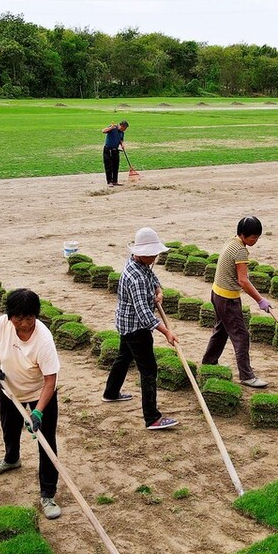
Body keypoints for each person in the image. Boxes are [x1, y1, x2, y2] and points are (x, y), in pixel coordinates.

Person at [0, 288, 63, 520]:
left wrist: (38, 413)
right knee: (9, 429)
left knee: (46, 442)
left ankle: (48, 494)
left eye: (29, 318)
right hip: (10, 390)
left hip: (41, 394)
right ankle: (12, 459)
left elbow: (50, 381)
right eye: (18, 318)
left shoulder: (44, 340)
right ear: (10, 316)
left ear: (36, 316)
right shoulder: (1, 325)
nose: (24, 324)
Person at [103, 227, 181, 431]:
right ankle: (152, 418)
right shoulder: (135, 278)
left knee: (123, 357)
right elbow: (144, 314)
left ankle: (110, 393)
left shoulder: (138, 264)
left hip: (125, 323)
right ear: (143, 253)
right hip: (136, 329)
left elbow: (152, 278)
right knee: (148, 370)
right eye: (154, 253)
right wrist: (167, 332)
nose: (156, 257)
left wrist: (158, 290)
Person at [201, 216, 272, 388]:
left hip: (216, 293)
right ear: (243, 234)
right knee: (241, 336)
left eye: (257, 237)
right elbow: (243, 281)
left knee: (221, 330)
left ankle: (209, 362)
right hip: (227, 299)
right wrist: (260, 300)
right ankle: (247, 376)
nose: (255, 240)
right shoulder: (240, 251)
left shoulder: (231, 241)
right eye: (253, 237)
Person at [102, 120, 128, 186]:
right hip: (108, 150)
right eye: (124, 128)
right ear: (121, 126)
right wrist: (111, 128)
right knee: (108, 166)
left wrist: (122, 144)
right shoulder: (113, 127)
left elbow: (121, 140)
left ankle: (115, 181)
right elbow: (103, 131)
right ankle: (109, 182)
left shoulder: (122, 132)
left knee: (115, 166)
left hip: (115, 150)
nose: (125, 130)